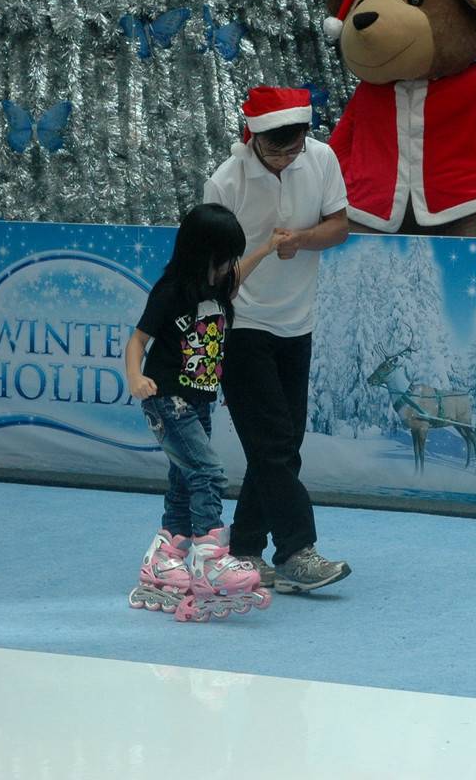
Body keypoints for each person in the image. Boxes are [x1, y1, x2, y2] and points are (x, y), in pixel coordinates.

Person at [204, 86, 353, 594]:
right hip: (241, 326)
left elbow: (339, 225)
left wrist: (303, 240)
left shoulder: (322, 158)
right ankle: (296, 551)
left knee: (283, 445)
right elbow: (214, 273)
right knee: (271, 444)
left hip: (298, 323)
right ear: (252, 138)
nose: (288, 158)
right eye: (276, 150)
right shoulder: (225, 183)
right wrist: (265, 252)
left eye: (295, 148)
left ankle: (243, 548)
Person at [124, 203, 278, 621]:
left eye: (232, 258)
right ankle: (210, 559)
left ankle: (165, 557)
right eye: (223, 257)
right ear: (200, 254)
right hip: (166, 398)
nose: (229, 266)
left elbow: (238, 275)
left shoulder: (217, 286)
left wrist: (265, 250)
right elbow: (138, 340)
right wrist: (135, 378)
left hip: (197, 401)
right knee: (208, 473)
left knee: (184, 480)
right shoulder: (172, 291)